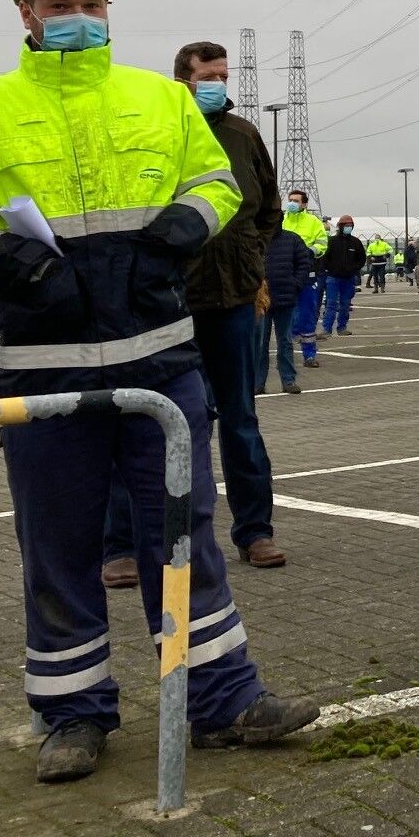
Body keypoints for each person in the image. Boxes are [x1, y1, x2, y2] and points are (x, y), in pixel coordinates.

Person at [0, 0, 315, 783]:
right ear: (26, 12)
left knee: (183, 535)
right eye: (59, 4)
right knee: (58, 547)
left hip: (159, 362)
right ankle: (72, 715)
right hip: (45, 371)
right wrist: (7, 260)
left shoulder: (161, 98)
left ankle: (222, 700)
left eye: (90, 3)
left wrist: (182, 228)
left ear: (109, 7)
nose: (77, 16)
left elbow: (218, 185)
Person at [104, 40, 286, 586]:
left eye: (224, 76)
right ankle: (122, 545)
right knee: (148, 419)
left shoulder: (243, 134)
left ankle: (255, 532)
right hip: (167, 301)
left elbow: (268, 208)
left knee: (240, 419)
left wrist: (251, 257)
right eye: (209, 76)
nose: (219, 85)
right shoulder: (155, 127)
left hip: (233, 300)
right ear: (182, 79)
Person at [258, 225, 312, 396]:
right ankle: (258, 383)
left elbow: (304, 263)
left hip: (285, 298)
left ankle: (288, 380)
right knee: (260, 343)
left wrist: (295, 285)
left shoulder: (292, 239)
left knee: (285, 341)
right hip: (261, 301)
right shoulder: (255, 238)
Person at [282, 190, 328, 367]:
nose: (292, 203)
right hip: (286, 274)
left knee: (307, 313)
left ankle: (309, 355)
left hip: (307, 274)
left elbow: (322, 243)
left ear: (304, 204)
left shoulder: (313, 222)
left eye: (296, 200)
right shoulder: (282, 221)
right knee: (286, 315)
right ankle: (286, 357)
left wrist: (309, 252)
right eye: (290, 200)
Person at [320, 216, 366, 335]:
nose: (348, 228)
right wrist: (331, 269)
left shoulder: (355, 242)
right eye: (346, 226)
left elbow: (362, 259)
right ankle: (326, 329)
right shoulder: (331, 241)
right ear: (340, 227)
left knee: (345, 304)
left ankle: (342, 328)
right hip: (333, 277)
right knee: (331, 303)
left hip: (349, 278)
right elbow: (324, 258)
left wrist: (353, 268)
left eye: (350, 226)